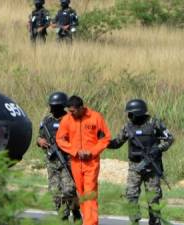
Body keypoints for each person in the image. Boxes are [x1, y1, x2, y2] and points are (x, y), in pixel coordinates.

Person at [108, 99, 174, 225]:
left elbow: (169, 139)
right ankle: (134, 221)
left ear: (138, 113)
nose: (129, 116)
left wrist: (158, 149)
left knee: (153, 198)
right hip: (135, 167)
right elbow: (117, 143)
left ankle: (155, 222)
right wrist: (103, 142)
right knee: (131, 195)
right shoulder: (128, 127)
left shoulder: (155, 124)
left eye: (131, 113)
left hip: (152, 167)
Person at [56, 95, 111, 225]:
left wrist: (91, 152)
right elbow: (60, 139)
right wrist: (75, 151)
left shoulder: (95, 117)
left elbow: (105, 138)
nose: (71, 113)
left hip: (91, 163)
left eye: (73, 111)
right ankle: (88, 220)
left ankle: (91, 223)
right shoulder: (66, 120)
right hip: (75, 162)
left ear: (81, 108)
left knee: (90, 193)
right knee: (82, 194)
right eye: (69, 111)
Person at [37, 92, 82, 221]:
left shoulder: (71, 119)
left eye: (55, 106)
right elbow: (39, 137)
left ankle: (75, 209)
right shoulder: (47, 121)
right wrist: (40, 141)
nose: (52, 109)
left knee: (69, 190)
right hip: (52, 163)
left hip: (67, 161)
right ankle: (63, 217)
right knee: (55, 192)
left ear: (62, 106)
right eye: (52, 106)